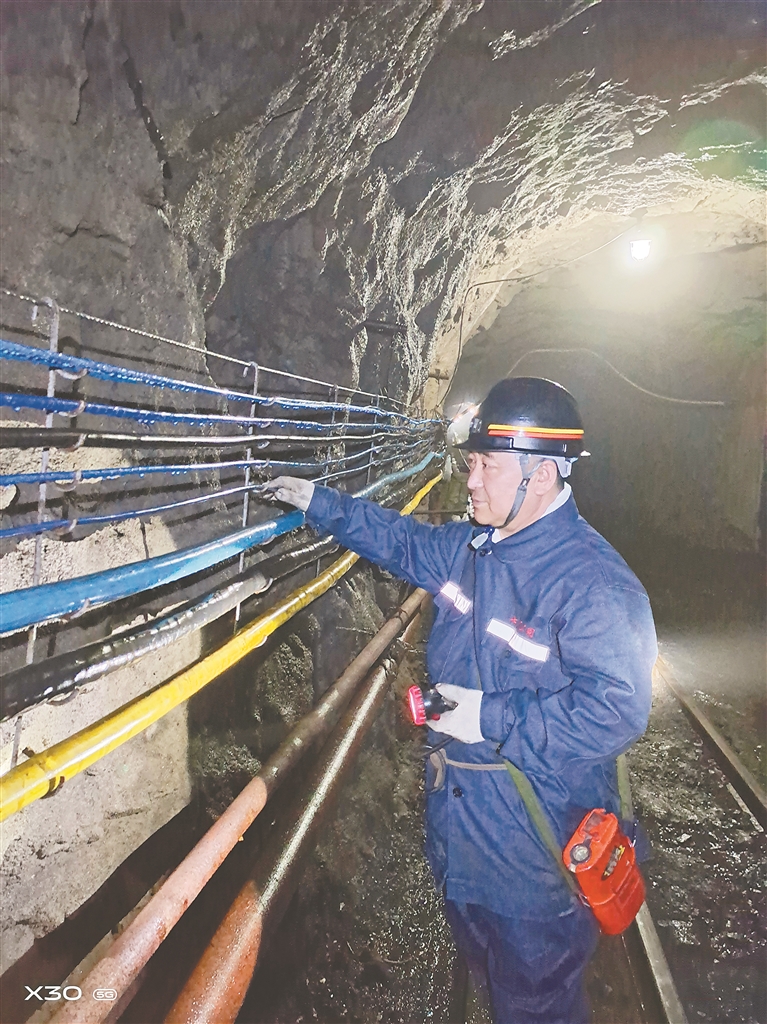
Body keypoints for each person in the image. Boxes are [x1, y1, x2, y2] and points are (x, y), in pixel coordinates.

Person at [266, 377, 657, 1024]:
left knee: (533, 1002)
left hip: (535, 859)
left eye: (487, 466)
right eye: (470, 462)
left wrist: (486, 716)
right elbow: (397, 540)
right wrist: (318, 503)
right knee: (489, 975)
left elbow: (615, 711)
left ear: (541, 475)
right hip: (462, 839)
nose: (470, 480)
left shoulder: (593, 586)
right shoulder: (467, 551)